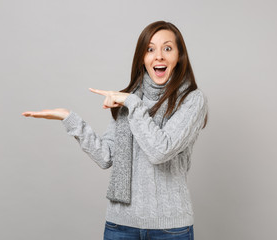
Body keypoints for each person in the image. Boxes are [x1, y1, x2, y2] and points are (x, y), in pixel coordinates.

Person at [22, 20, 208, 240]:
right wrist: (69, 119)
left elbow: (161, 150)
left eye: (167, 48)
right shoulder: (129, 98)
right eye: (150, 49)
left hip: (170, 229)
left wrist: (132, 104)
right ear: (142, 58)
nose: (159, 56)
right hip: (120, 226)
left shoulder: (191, 100)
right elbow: (106, 157)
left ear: (179, 56)